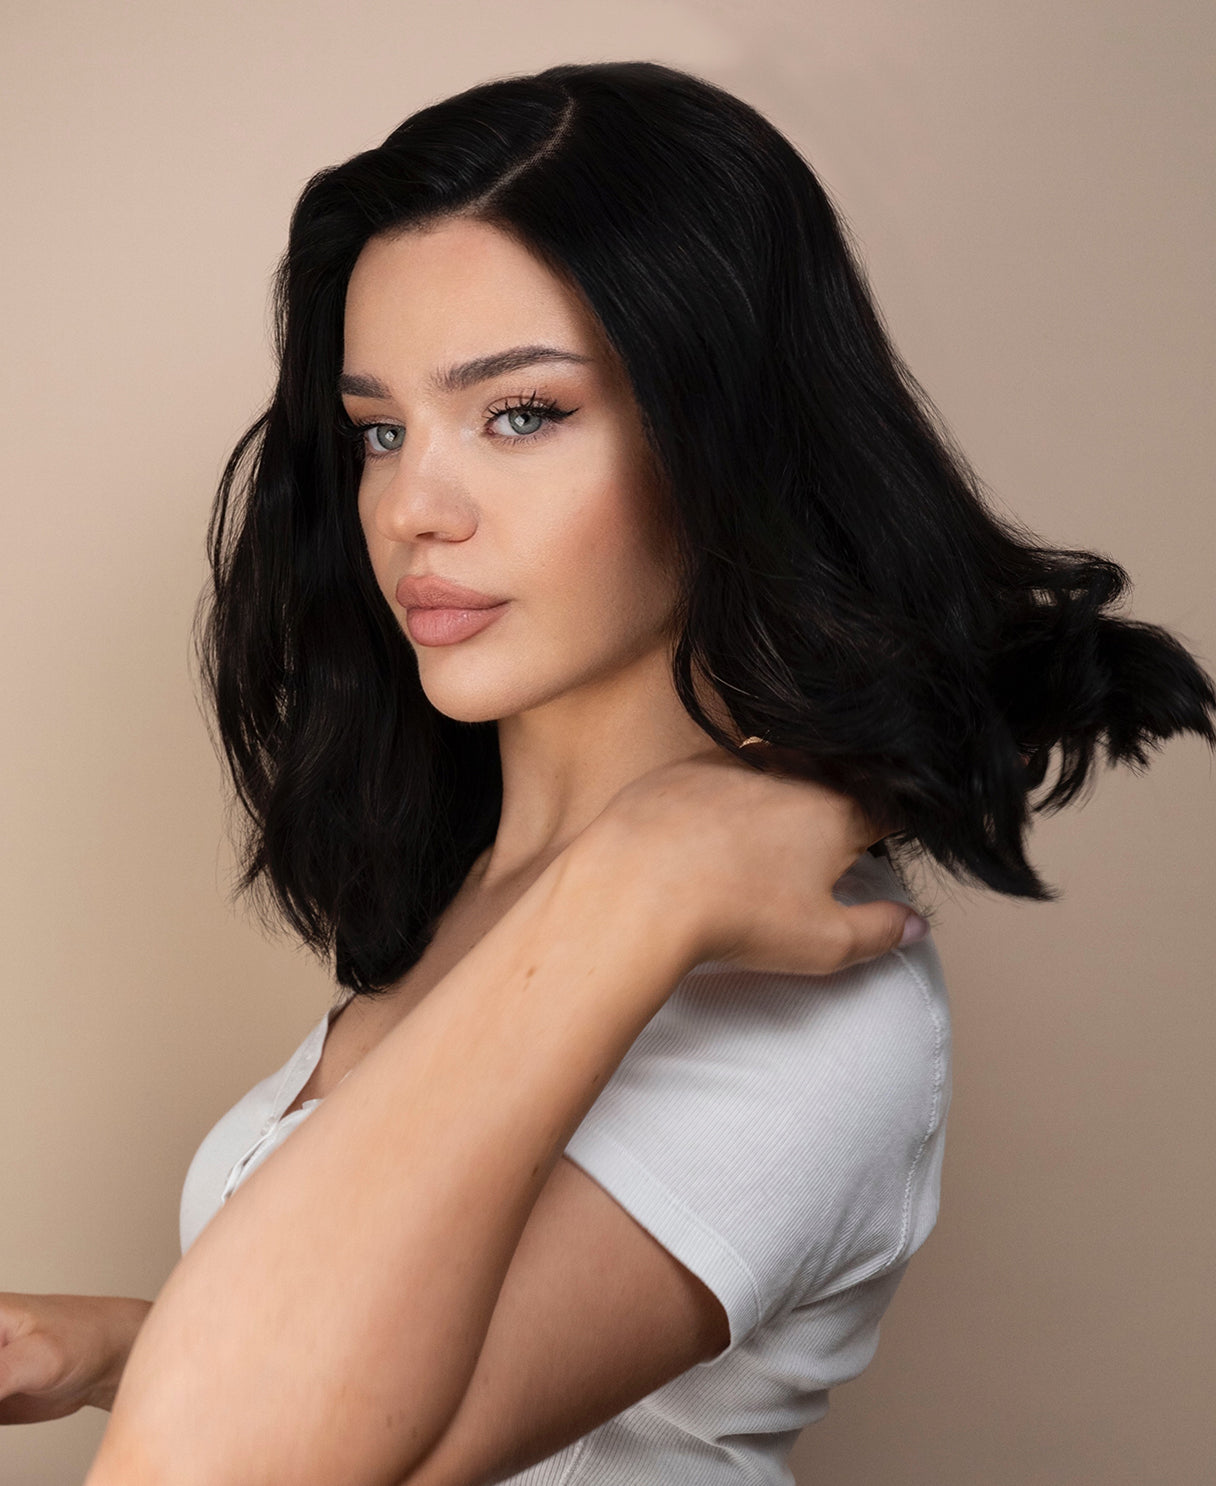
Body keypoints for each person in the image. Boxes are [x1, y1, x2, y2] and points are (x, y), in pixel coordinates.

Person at [2, 59, 1213, 1485]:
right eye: (380, 429)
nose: (411, 508)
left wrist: (646, 877)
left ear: (723, 438)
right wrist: (109, 1345)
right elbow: (391, 1378)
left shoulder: (816, 1000)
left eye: (521, 413)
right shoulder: (487, 879)